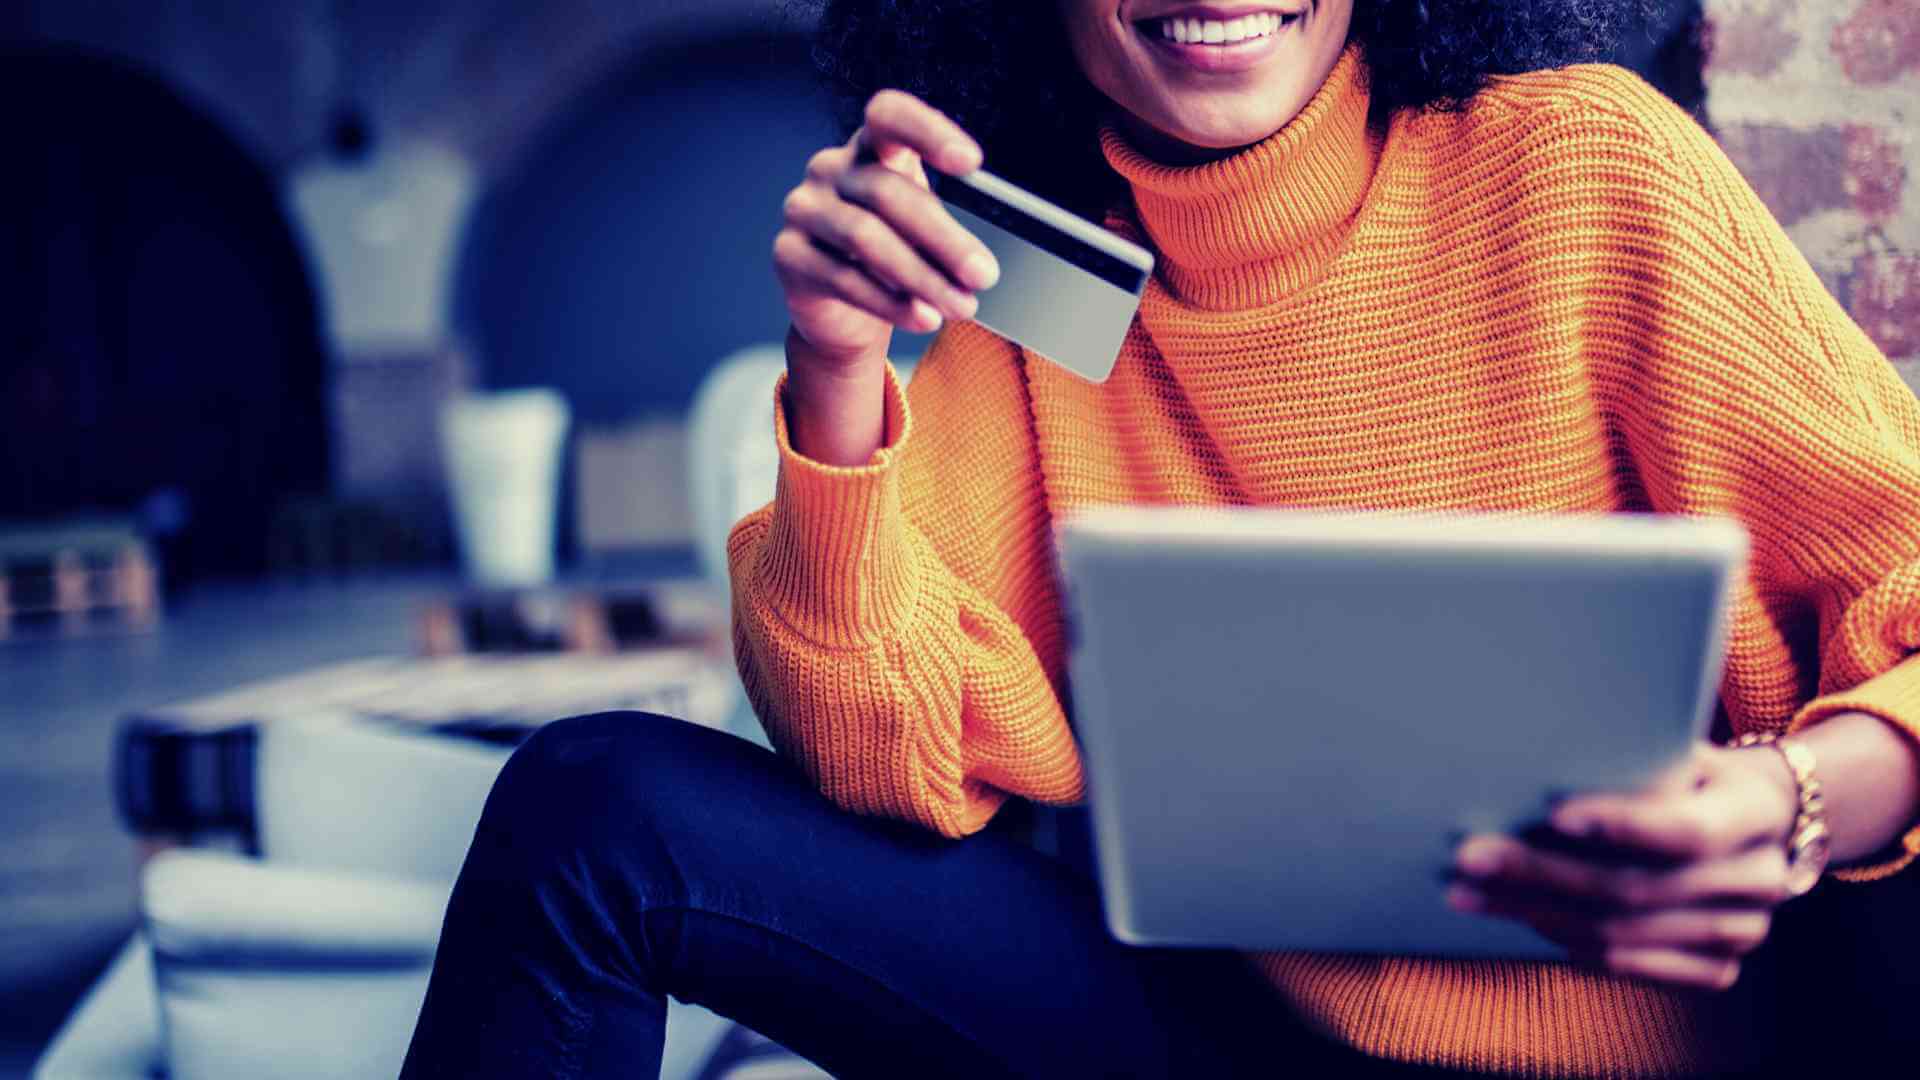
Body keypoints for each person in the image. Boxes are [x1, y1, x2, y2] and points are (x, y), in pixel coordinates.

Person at [403, 2, 1920, 1076]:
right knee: (591, 809)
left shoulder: (1582, 168)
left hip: (1682, 1053)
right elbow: (892, 761)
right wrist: (838, 371)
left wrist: (1795, 801)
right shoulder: (1045, 282)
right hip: (1233, 1040)